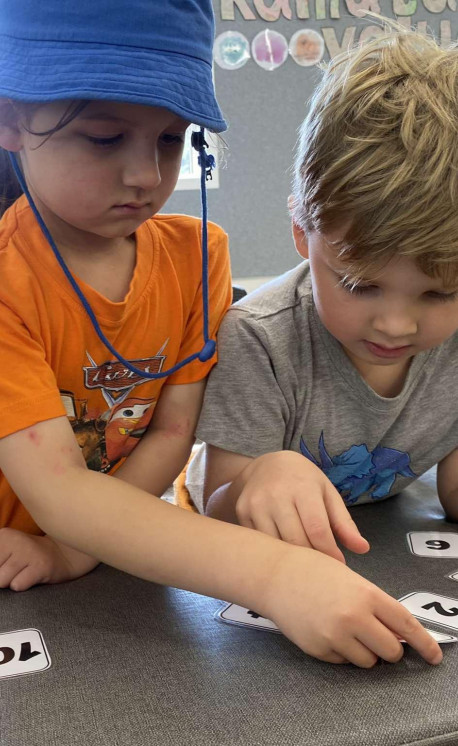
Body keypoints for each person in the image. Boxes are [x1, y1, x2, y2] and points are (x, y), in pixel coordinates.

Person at [0, 0, 442, 667]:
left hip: (138, 554)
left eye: (171, 139)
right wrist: (275, 576)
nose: (145, 175)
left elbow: (172, 435)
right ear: (7, 118)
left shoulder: (201, 255)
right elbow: (58, 492)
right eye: (107, 139)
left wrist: (76, 550)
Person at [192, 29, 458, 568]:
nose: (397, 326)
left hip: (384, 547)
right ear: (300, 231)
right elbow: (214, 511)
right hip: (262, 562)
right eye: (360, 285)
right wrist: (254, 479)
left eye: (440, 293)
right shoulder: (259, 341)